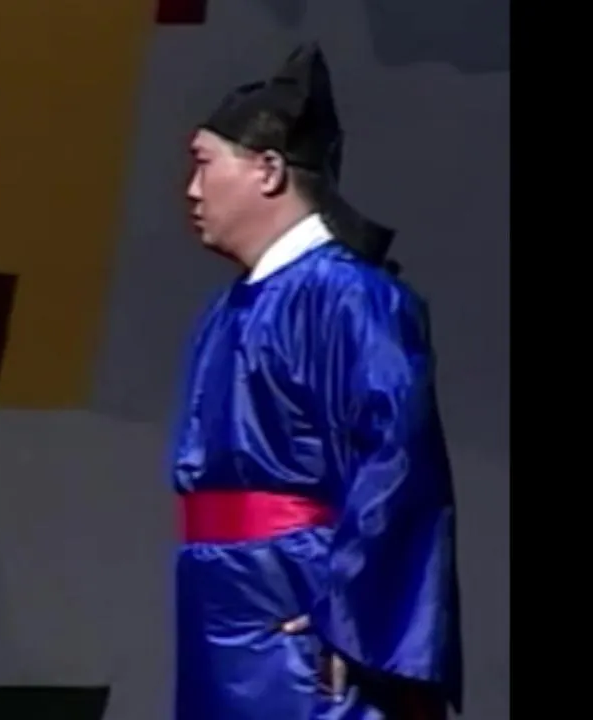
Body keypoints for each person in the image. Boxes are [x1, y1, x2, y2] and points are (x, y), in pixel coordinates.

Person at [170, 43, 462, 719]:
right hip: (224, 596)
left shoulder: (351, 297)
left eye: (204, 164)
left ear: (268, 169)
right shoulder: (230, 307)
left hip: (297, 598)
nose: (191, 189)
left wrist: (352, 614)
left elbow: (398, 464)